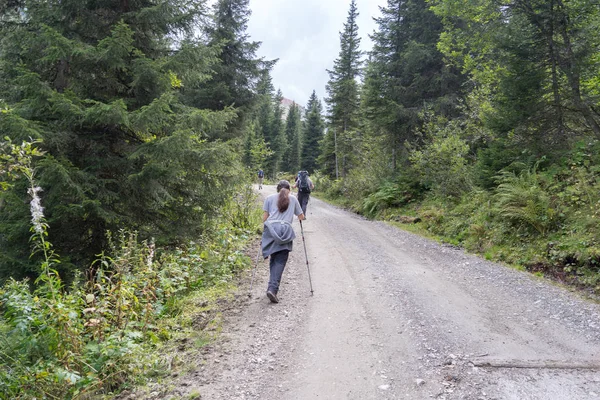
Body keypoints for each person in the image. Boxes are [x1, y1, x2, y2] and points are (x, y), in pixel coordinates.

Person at [261, 180, 304, 303]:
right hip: (285, 231)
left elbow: (265, 218)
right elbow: (301, 216)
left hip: (271, 230)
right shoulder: (293, 199)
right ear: (289, 189)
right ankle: (273, 289)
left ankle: (271, 286)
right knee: (280, 259)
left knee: (274, 257)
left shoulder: (269, 198)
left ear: (277, 189)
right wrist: (302, 217)